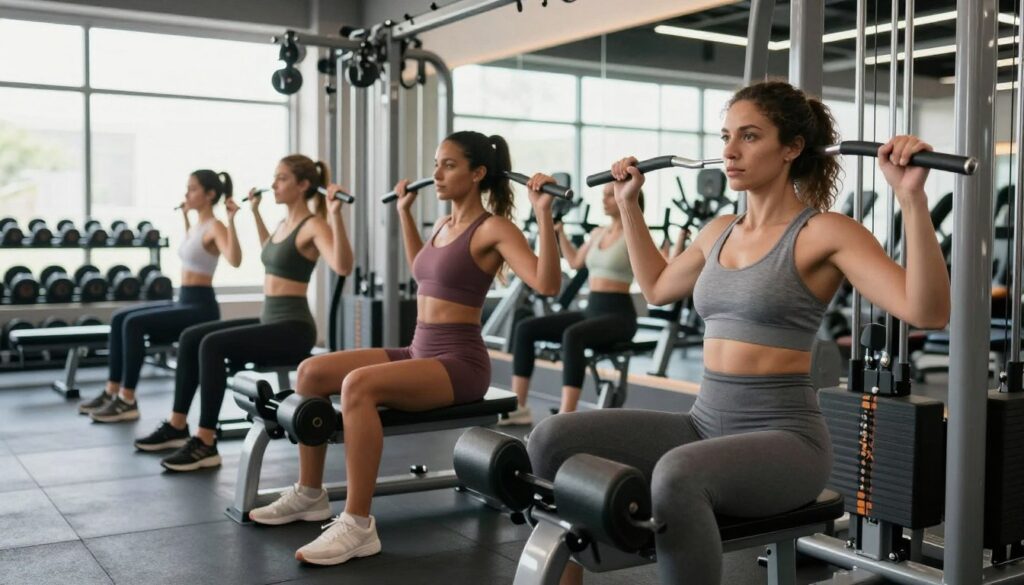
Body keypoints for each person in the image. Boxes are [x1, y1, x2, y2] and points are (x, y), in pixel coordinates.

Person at [527, 80, 951, 585]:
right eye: (726, 135)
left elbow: (927, 311)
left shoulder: (824, 232)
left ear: (792, 148)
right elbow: (659, 288)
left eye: (749, 136)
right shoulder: (719, 229)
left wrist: (910, 198)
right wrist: (629, 204)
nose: (729, 150)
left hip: (786, 440)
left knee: (679, 476)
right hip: (703, 423)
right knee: (550, 439)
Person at [245, 131, 562, 567]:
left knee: (358, 386)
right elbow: (423, 274)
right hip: (419, 350)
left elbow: (547, 283)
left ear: (478, 173)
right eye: (436, 163)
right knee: (310, 373)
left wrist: (543, 214)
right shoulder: (444, 225)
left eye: (448, 164)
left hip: (459, 362)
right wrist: (405, 215)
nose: (435, 173)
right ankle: (310, 493)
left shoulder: (493, 227)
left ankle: (357, 525)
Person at [136, 155, 354, 471]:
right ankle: (177, 423)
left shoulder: (314, 224)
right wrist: (253, 213)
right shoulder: (284, 223)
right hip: (270, 320)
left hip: (293, 327)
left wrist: (335, 215)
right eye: (275, 177)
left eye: (281, 179)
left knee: (212, 345)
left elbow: (343, 265)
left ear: (304, 185)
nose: (274, 184)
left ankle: (206, 442)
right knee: (192, 336)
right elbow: (270, 252)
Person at [83, 170, 241, 424]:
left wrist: (232, 221)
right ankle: (111, 391)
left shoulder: (216, 226)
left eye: (192, 189)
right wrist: (186, 218)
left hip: (200, 306)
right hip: (185, 299)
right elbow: (194, 250)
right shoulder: (197, 225)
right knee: (119, 317)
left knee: (134, 324)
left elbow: (234, 259)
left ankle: (127, 400)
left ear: (210, 194)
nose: (186, 194)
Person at [501, 184, 644, 422]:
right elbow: (576, 261)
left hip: (620, 315)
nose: (605, 199)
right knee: (525, 328)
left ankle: (566, 417)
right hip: (592, 310)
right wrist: (561, 234)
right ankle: (519, 406)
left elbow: (658, 263)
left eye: (610, 194)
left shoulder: (635, 233)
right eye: (605, 194)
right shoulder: (598, 233)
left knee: (572, 335)